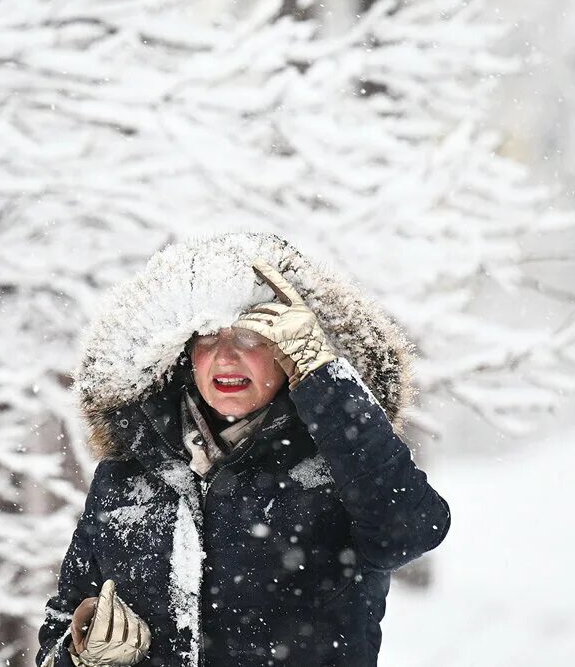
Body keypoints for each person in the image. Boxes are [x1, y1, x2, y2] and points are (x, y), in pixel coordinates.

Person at [36, 233, 451, 667]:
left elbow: (410, 530)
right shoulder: (129, 475)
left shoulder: (335, 466)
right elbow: (60, 627)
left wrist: (323, 376)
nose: (227, 357)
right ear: (182, 353)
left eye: (252, 337)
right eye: (208, 336)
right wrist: (81, 655)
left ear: (288, 350)